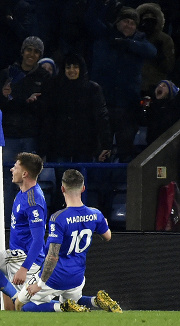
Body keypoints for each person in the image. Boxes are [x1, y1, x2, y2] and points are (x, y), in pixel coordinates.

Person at [14, 169, 122, 314]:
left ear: (62, 189)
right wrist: (104, 224)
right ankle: (96, 301)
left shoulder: (58, 218)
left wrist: (39, 284)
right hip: (77, 277)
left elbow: (52, 256)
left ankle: (62, 308)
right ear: (83, 188)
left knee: (20, 305)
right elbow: (107, 236)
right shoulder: (96, 214)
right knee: (75, 302)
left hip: (55, 276)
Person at [0, 152, 47, 311]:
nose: (12, 170)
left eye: (16, 167)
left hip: (25, 259)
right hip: (14, 255)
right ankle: (16, 297)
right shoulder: (22, 193)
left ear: (25, 173)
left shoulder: (33, 201)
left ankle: (61, 308)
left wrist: (24, 268)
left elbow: (39, 240)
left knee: (18, 311)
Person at [38, 54, 112, 211]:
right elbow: (47, 119)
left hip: (84, 145)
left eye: (75, 67)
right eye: (68, 67)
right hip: (59, 145)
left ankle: (80, 219)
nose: (72, 70)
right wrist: (43, 148)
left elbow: (101, 116)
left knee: (80, 185)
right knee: (62, 184)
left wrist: (105, 143)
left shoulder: (92, 89)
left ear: (82, 69)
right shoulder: (54, 88)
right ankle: (61, 219)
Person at [86, 2, 157, 162]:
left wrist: (127, 44)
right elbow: (90, 19)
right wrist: (104, 4)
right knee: (100, 149)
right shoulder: (105, 35)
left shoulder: (139, 41)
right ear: (117, 22)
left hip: (127, 107)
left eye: (132, 23)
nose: (129, 25)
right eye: (125, 21)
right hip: (103, 104)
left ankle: (123, 186)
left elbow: (152, 51)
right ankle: (99, 185)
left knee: (126, 150)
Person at [0, 36, 51, 161]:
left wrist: (31, 103)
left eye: (36, 51)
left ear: (40, 55)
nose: (32, 54)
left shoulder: (45, 77)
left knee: (29, 178)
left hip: (32, 136)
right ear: (22, 51)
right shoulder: (7, 74)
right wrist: (4, 97)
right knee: (7, 177)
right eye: (29, 50)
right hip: (8, 134)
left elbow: (47, 108)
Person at [136, 3, 176, 96]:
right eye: (145, 20)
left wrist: (159, 55)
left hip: (154, 86)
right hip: (134, 84)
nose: (148, 24)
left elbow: (169, 66)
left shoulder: (164, 39)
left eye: (152, 20)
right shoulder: (134, 37)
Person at [145, 80, 180, 145]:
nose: (160, 86)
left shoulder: (173, 107)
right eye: (159, 85)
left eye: (164, 86)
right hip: (151, 145)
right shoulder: (151, 108)